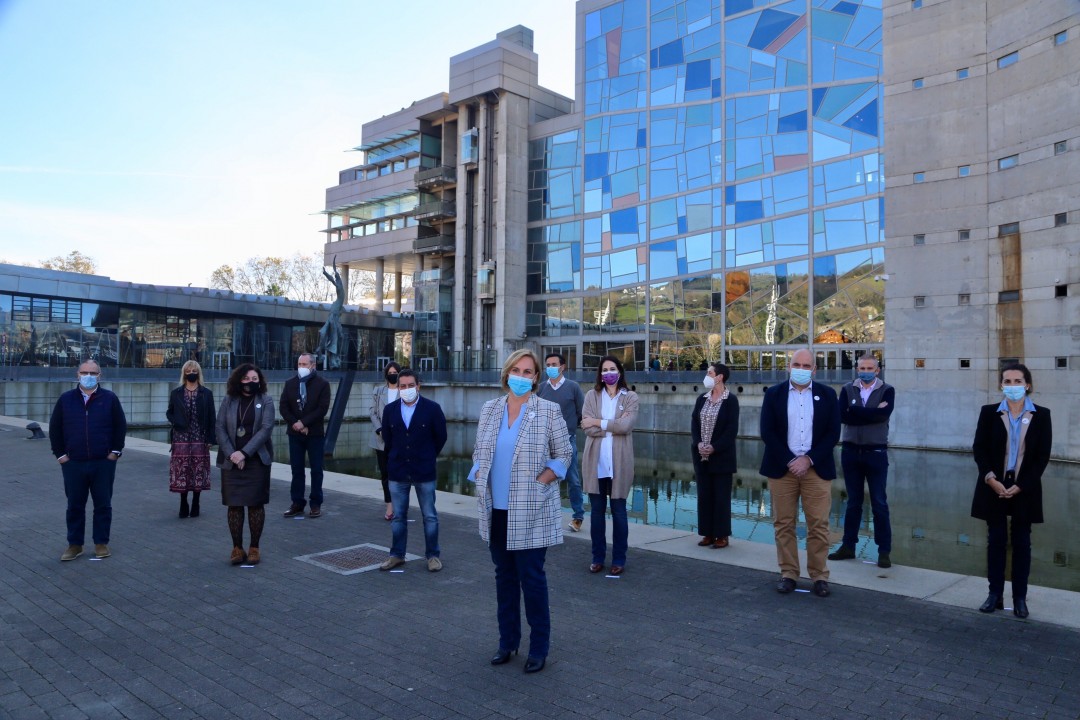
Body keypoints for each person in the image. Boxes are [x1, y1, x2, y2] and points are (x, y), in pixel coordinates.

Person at [470, 349, 572, 674]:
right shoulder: (490, 409)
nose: (521, 376)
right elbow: (479, 450)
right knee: (504, 579)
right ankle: (507, 642)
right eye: (516, 370)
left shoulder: (548, 411)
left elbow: (564, 453)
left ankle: (538, 648)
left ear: (536, 377)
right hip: (496, 510)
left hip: (531, 510)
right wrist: (478, 471)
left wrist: (543, 479)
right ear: (506, 373)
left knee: (532, 580)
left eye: (528, 372)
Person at [971, 363, 1051, 619]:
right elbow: (979, 448)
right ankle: (994, 594)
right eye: (1008, 381)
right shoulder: (989, 413)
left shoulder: (1042, 415)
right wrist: (990, 478)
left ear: (1027, 385)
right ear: (1001, 385)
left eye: (1018, 381)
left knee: (1022, 543)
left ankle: (1019, 598)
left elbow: (1042, 456)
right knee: (995, 541)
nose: (1013, 386)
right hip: (993, 485)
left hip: (1024, 488)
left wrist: (1022, 484)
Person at [759, 348, 840, 597]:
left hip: (817, 468)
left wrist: (809, 459)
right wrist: (790, 460)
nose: (801, 369)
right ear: (789, 366)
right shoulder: (774, 394)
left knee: (819, 525)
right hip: (782, 468)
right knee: (784, 524)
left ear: (814, 370)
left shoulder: (828, 395)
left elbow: (833, 434)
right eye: (797, 364)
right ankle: (788, 574)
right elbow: (767, 432)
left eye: (806, 366)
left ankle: (819, 576)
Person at [49, 359, 127, 561]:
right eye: (84, 372)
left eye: (93, 373)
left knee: (103, 504)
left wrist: (114, 453)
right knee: (75, 505)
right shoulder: (66, 399)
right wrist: (61, 455)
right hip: (73, 463)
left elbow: (120, 426)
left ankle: (101, 543)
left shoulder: (109, 398)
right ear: (77, 375)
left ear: (100, 376)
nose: (88, 376)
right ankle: (75, 545)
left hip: (103, 463)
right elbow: (55, 428)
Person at [829, 354, 895, 568]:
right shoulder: (847, 389)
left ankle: (884, 551)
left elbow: (882, 416)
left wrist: (856, 411)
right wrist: (871, 412)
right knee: (853, 502)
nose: (865, 371)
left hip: (876, 452)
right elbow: (843, 416)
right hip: (850, 452)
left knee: (879, 503)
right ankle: (848, 546)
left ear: (877, 370)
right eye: (862, 368)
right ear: (857, 369)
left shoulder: (887, 390)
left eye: (870, 368)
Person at [378, 370, 448, 572]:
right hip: (398, 471)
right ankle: (397, 555)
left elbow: (441, 437)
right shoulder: (390, 410)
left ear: (418, 386)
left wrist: (427, 456)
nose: (406, 389)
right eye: (403, 386)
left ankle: (433, 556)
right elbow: (388, 439)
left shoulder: (432, 409)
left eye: (410, 385)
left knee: (430, 516)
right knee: (398, 516)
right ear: (398, 387)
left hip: (424, 471)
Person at [581, 355, 639, 575]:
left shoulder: (630, 397)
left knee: (619, 512)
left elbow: (626, 426)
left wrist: (598, 422)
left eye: (612, 369)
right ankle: (597, 557)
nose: (608, 373)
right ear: (600, 374)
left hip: (619, 464)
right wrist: (612, 426)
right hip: (596, 463)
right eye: (604, 370)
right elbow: (586, 428)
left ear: (620, 371)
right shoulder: (591, 396)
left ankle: (619, 559)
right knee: (596, 513)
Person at [216, 364, 275, 565]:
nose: (251, 382)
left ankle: (254, 547)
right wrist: (233, 454)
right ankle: (237, 547)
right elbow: (220, 427)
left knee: (255, 505)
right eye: (246, 378)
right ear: (238, 380)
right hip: (231, 460)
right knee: (234, 505)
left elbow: (266, 429)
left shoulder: (266, 400)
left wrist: (244, 453)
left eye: (254, 379)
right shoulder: (228, 400)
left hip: (256, 461)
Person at [690, 362, 740, 549]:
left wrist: (714, 447)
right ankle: (707, 534)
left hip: (721, 457)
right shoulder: (701, 399)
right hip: (701, 457)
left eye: (710, 373)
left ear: (720, 377)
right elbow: (694, 423)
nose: (707, 376)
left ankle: (722, 535)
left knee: (721, 498)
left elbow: (731, 429)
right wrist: (698, 443)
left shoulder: (731, 400)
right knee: (704, 496)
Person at [536, 353, 586, 532]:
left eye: (554, 364)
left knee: (573, 479)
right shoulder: (541, 388)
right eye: (548, 364)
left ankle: (578, 517)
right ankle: (543, 516)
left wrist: (570, 427)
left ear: (562, 367)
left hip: (567, 441)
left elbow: (581, 412)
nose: (550, 367)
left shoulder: (573, 387)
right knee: (544, 479)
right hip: (544, 442)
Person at [280, 353, 332, 519]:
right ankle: (297, 503)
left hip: (314, 434)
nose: (301, 367)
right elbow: (283, 407)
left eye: (304, 364)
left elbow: (322, 409)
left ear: (313, 366)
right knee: (297, 470)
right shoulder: (290, 383)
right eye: (299, 364)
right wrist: (296, 424)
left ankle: (315, 504)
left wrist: (304, 423)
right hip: (295, 433)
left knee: (316, 470)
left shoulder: (322, 384)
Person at [166, 360, 216, 519]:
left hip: (199, 437)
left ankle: (196, 502)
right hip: (181, 437)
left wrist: (211, 438)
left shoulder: (206, 393)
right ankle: (183, 502)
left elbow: (212, 417)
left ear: (198, 373)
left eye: (194, 371)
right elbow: (169, 412)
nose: (191, 373)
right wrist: (176, 421)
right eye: (188, 371)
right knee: (182, 471)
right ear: (184, 373)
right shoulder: (176, 393)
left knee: (198, 471)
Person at [369, 361, 402, 521]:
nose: (393, 375)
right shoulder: (378, 391)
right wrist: (380, 429)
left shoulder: (404, 391)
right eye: (390, 372)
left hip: (399, 440)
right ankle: (389, 506)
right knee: (385, 474)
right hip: (381, 439)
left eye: (395, 372)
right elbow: (373, 412)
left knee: (399, 474)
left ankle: (399, 504)